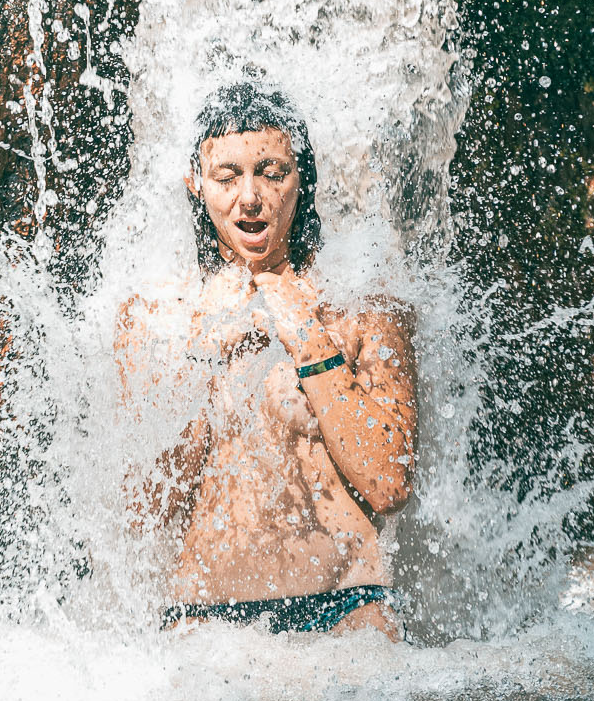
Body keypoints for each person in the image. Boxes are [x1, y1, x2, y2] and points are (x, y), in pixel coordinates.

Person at [117, 83, 415, 636]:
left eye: (272, 173)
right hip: (202, 620)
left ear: (303, 178)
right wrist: (201, 356)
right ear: (196, 184)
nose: (249, 197)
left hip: (349, 608)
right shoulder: (157, 319)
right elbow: (143, 513)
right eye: (227, 177)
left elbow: (389, 483)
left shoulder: (359, 305)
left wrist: (307, 335)